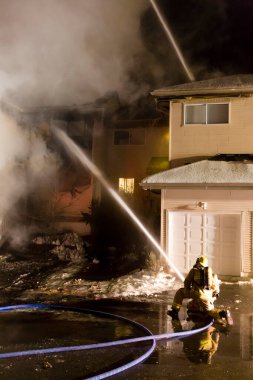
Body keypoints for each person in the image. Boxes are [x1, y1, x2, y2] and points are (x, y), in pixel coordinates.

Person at [167, 256, 232, 324]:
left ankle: (174, 311)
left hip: (195, 293)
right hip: (206, 297)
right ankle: (223, 313)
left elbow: (186, 282)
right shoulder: (211, 276)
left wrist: (188, 289)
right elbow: (216, 290)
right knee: (209, 311)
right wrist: (212, 297)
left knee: (180, 292)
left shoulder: (194, 270)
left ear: (198, 262)